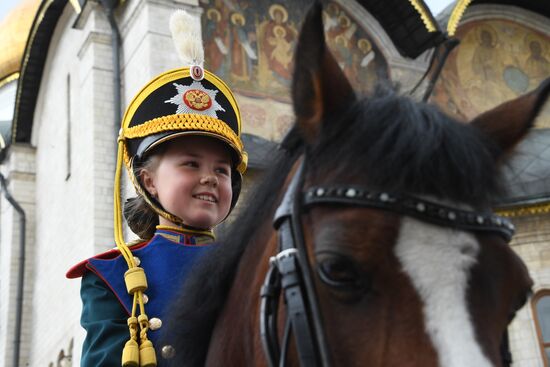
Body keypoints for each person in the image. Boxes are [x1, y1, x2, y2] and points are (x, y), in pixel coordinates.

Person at [66, 10, 247, 367]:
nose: (210, 177)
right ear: (148, 180)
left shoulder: (256, 261)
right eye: (191, 164)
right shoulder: (114, 275)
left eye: (222, 170)